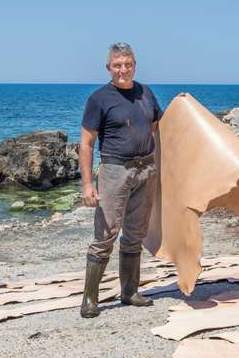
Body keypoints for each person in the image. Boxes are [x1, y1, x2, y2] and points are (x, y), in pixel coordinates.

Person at [79, 42, 162, 318]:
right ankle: (90, 300)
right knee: (105, 235)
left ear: (134, 65)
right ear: (109, 68)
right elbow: (87, 144)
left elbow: (154, 128)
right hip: (114, 171)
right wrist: (88, 184)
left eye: (127, 64)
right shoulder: (99, 99)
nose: (123, 70)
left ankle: (129, 292)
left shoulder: (146, 93)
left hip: (146, 171)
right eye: (117, 65)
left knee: (135, 234)